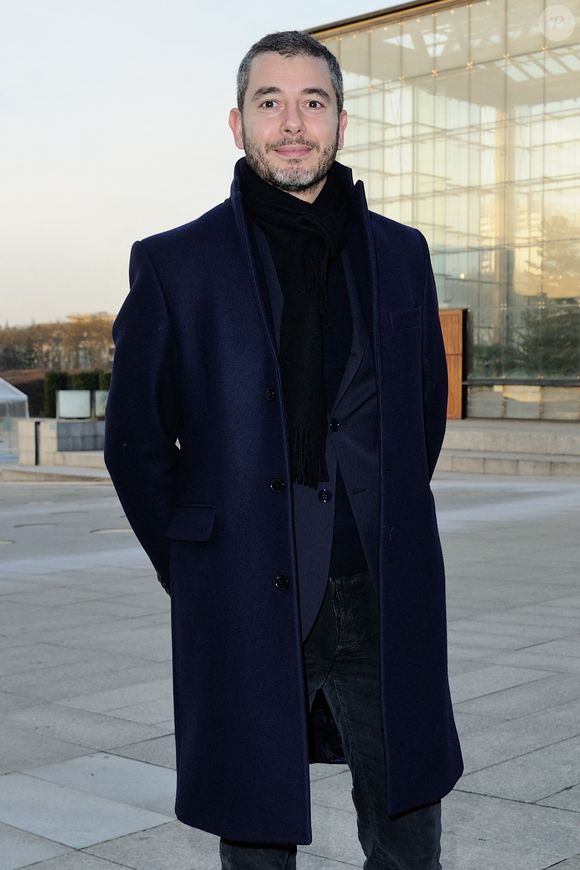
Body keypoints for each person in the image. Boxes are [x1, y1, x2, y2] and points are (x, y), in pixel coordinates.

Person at [104, 30, 463, 870]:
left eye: (313, 102)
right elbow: (135, 442)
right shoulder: (176, 264)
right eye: (270, 103)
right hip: (247, 596)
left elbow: (422, 414)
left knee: (409, 835)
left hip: (383, 593)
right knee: (257, 840)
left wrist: (379, 515)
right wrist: (200, 565)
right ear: (238, 124)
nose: (292, 123)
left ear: (341, 122)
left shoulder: (401, 255)